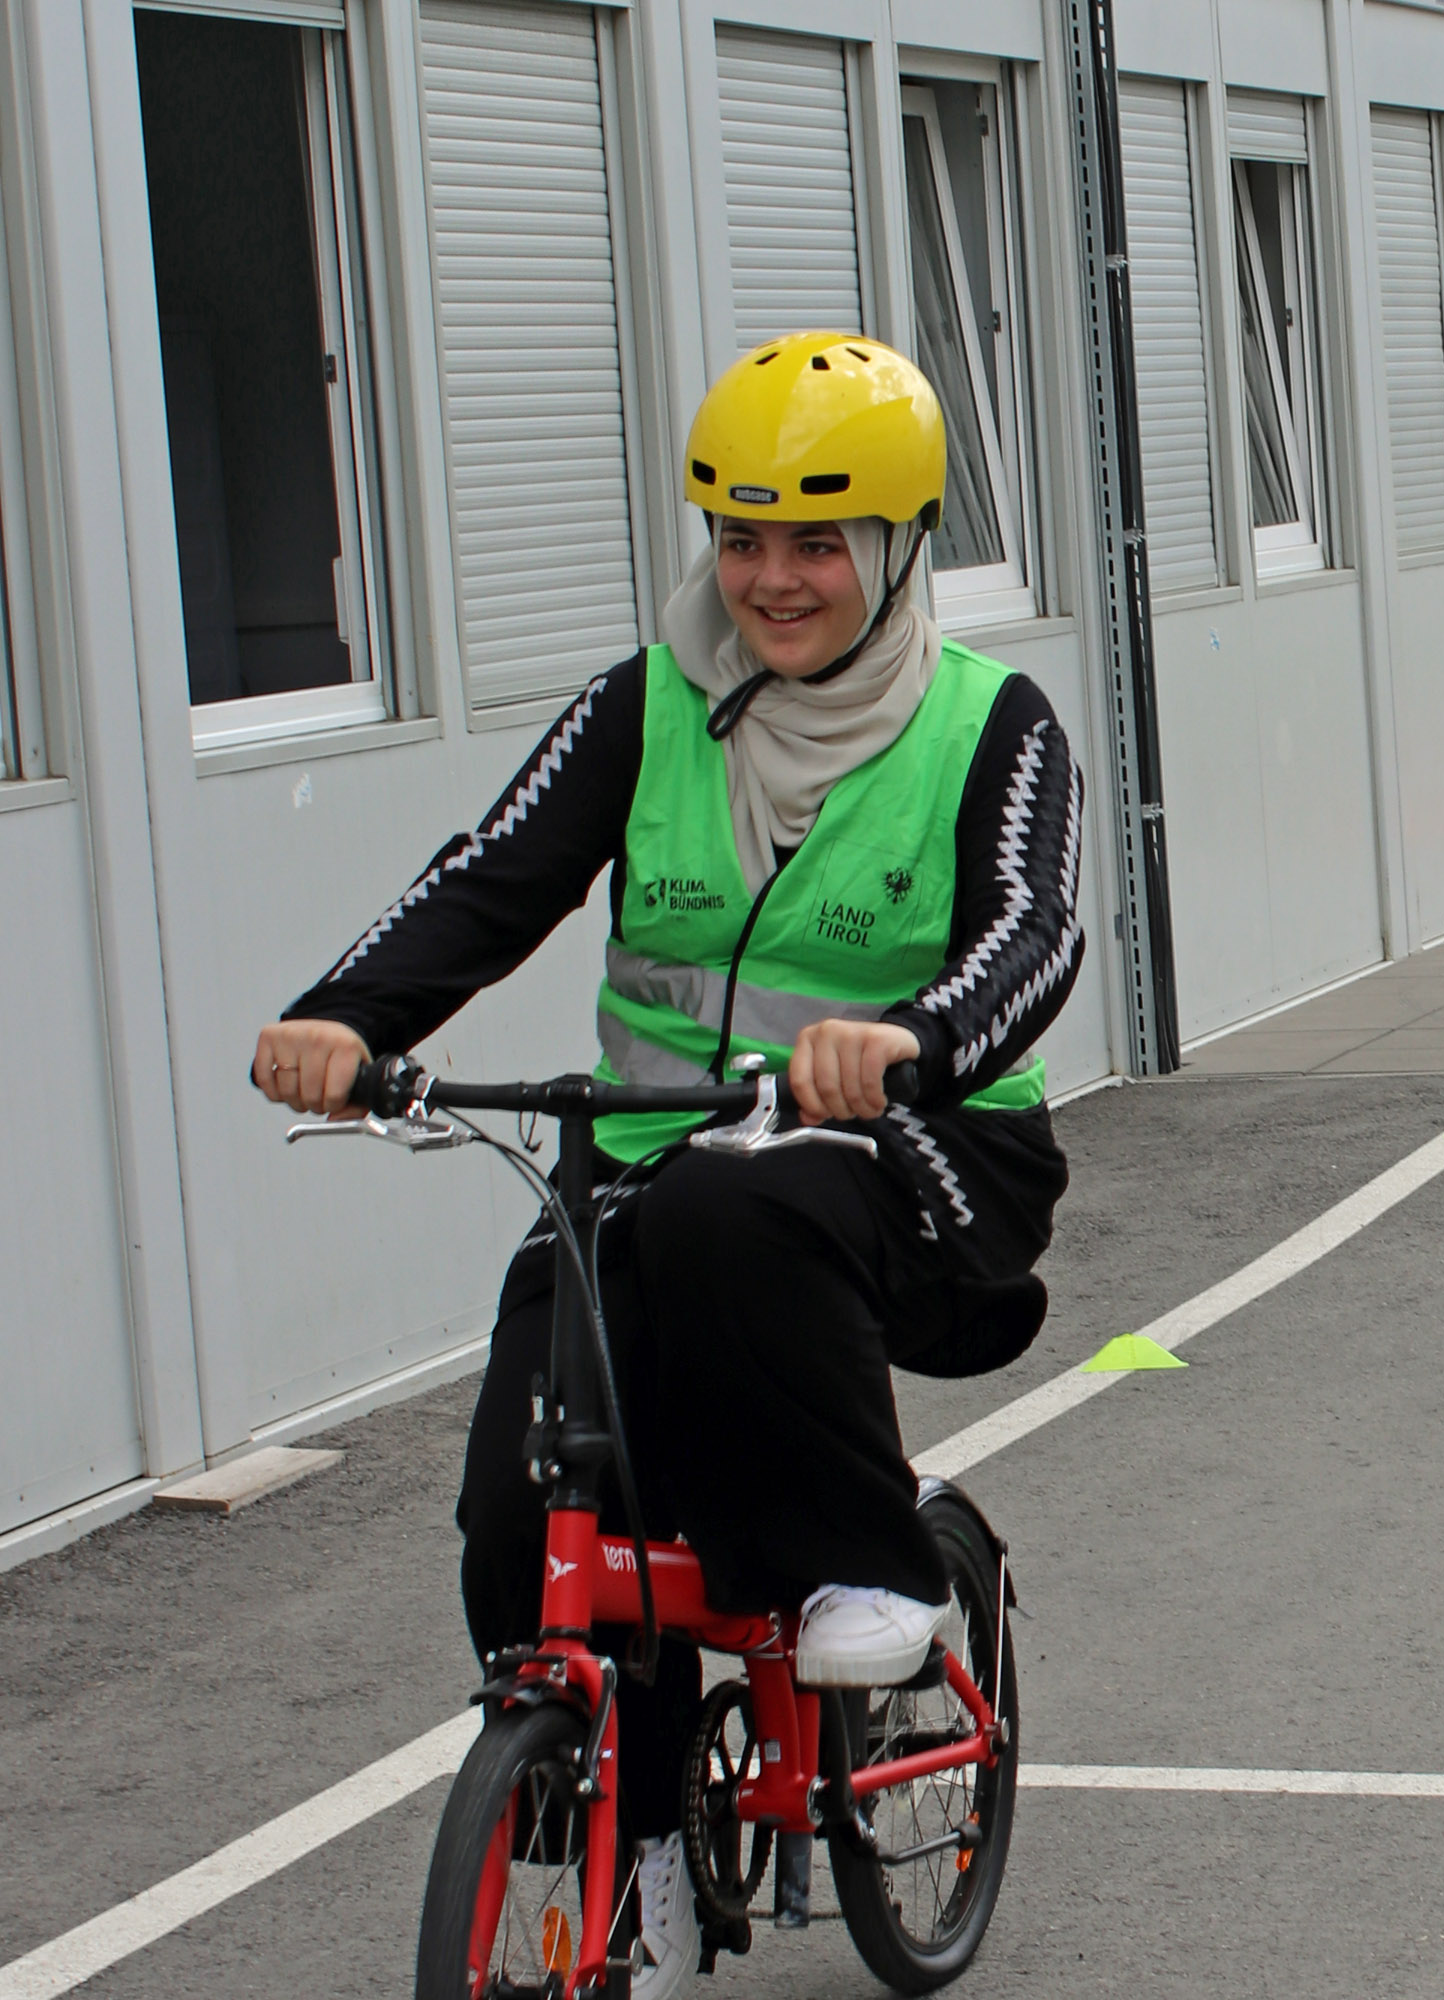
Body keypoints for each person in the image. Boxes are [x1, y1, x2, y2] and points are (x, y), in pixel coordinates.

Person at [250, 333, 1083, 1995]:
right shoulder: (643, 710)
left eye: (818, 541)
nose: (774, 579)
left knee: (733, 1207)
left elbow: (1034, 933)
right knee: (521, 1498)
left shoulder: (989, 726)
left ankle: (877, 1561)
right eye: (743, 537)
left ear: (900, 546)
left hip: (918, 1164)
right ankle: (601, 1816)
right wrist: (344, 1017)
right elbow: (493, 878)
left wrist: (911, 1038)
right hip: (655, 1169)